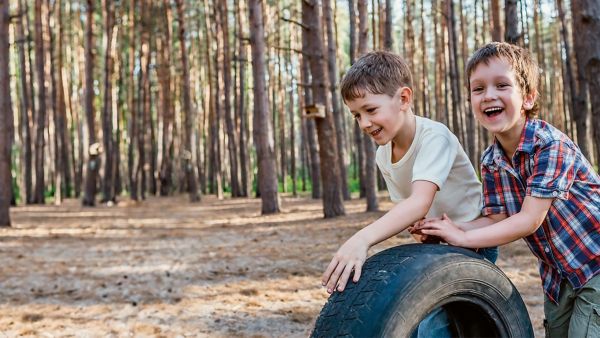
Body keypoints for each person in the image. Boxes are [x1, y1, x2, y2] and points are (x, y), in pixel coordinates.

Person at [413, 42, 600, 338]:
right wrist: (451, 227)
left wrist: (464, 237)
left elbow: (529, 220)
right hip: (559, 275)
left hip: (595, 263)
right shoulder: (491, 161)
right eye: (478, 89)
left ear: (527, 98)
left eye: (501, 85)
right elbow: (498, 217)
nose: (489, 95)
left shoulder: (551, 145)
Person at [321, 50, 497, 337]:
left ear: (403, 99)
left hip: (473, 239)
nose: (364, 123)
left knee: (434, 329)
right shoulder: (383, 156)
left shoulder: (434, 136)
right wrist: (419, 229)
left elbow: (420, 201)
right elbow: (408, 210)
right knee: (411, 319)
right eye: (356, 115)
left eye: (371, 110)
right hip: (437, 244)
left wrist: (361, 239)